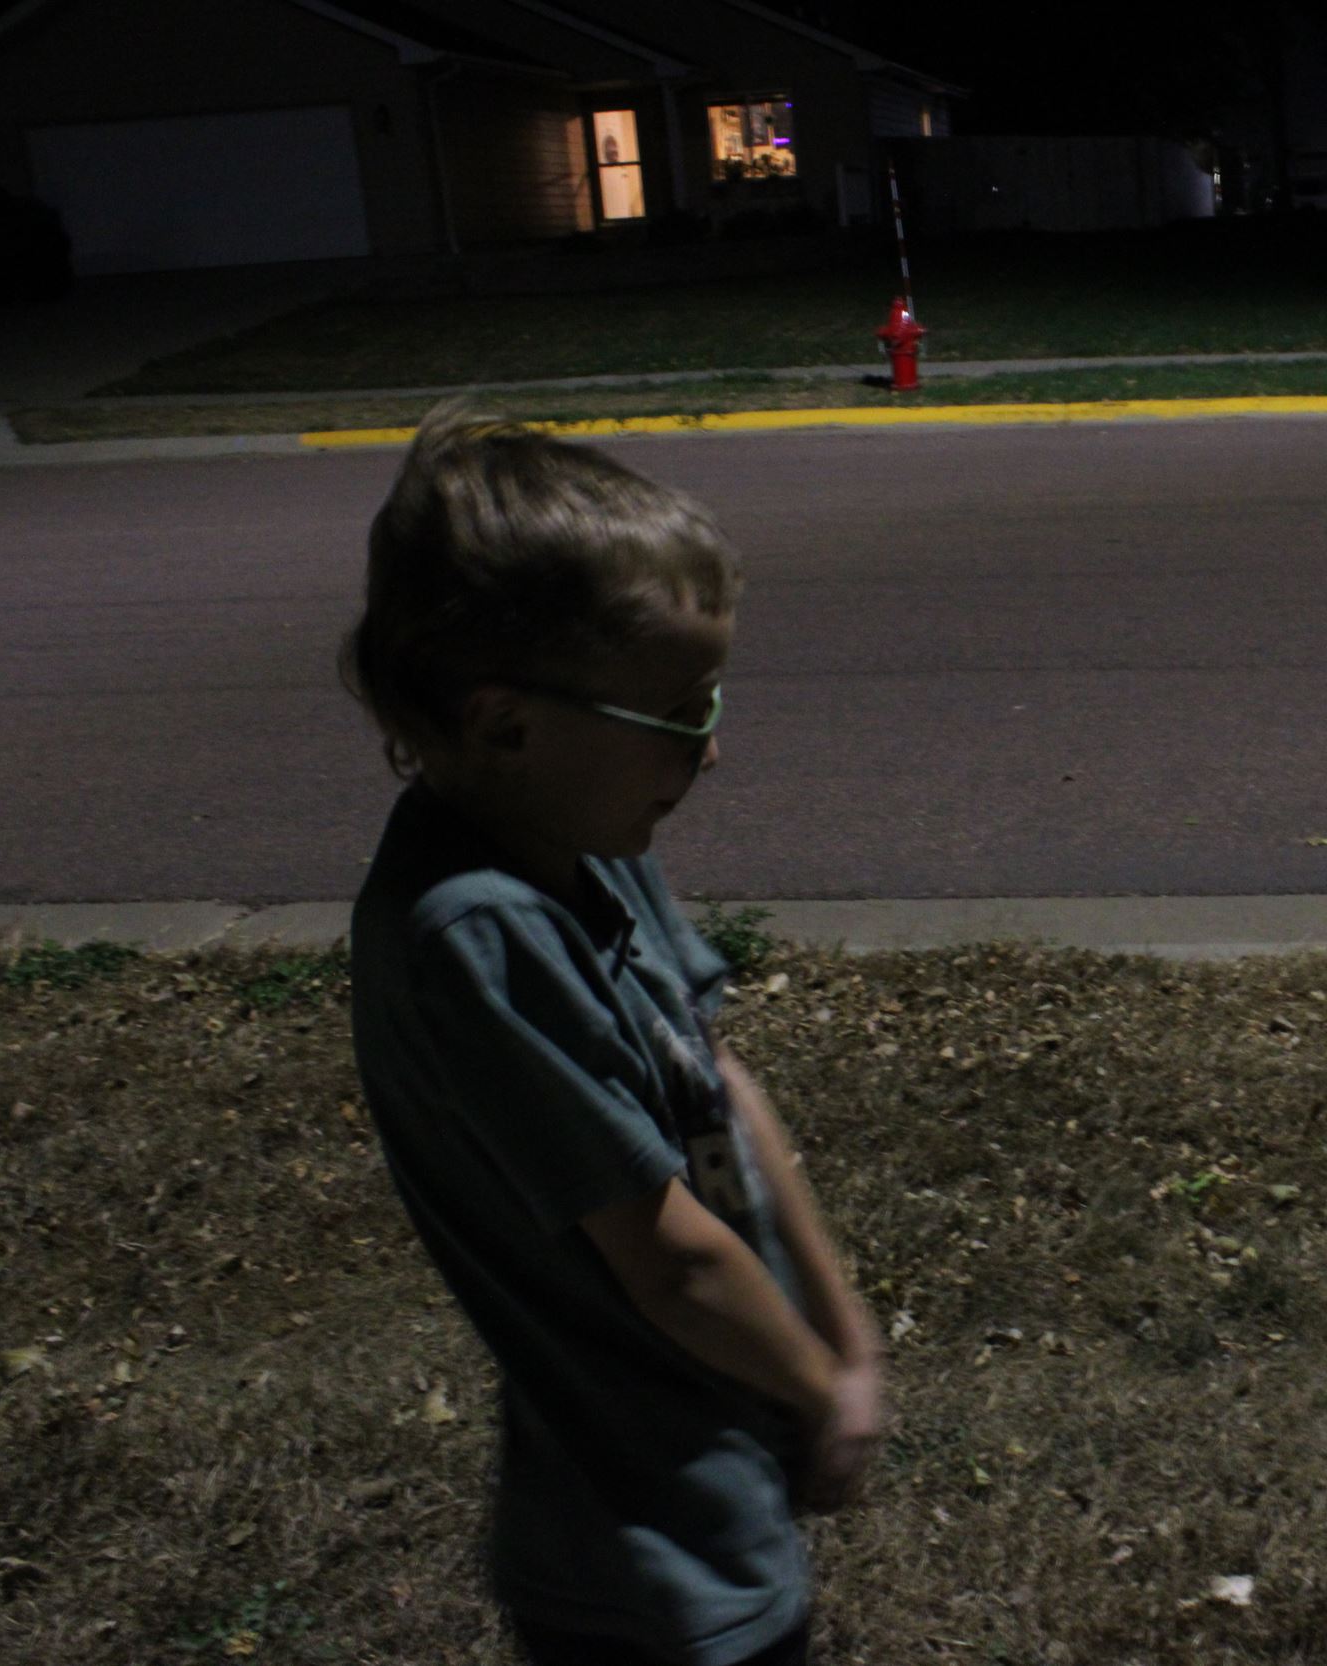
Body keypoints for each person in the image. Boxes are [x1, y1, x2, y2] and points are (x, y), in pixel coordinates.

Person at [341, 406, 885, 1666]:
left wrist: (843, 1333)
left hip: (722, 1471)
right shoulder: (476, 931)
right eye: (679, 714)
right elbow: (670, 1259)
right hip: (636, 1546)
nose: (712, 748)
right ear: (505, 725)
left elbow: (717, 1082)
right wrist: (823, 1390)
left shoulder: (580, 837)